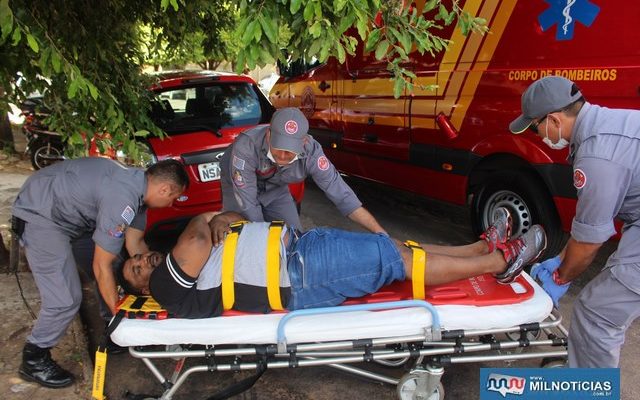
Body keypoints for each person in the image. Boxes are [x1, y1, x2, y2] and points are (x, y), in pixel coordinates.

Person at [118, 208, 546, 319]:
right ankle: (498, 261)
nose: (142, 262)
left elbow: (227, 221)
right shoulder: (167, 288)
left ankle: (476, 249)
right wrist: (208, 218)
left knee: (393, 247)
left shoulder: (176, 264)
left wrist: (224, 218)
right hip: (300, 273)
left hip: (301, 248)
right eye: (136, 270)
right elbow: (198, 233)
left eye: (136, 258)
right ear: (144, 290)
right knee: (390, 258)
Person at [12, 157, 188, 388]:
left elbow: (135, 246)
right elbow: (99, 265)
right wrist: (121, 316)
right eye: (173, 199)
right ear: (164, 189)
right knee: (65, 298)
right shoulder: (123, 199)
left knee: (117, 265)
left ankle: (112, 332)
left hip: (71, 216)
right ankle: (34, 359)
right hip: (42, 216)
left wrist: (166, 284)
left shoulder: (139, 192)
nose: (171, 205)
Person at [509, 76, 640, 368]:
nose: (535, 132)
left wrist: (561, 276)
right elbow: (586, 225)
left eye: (534, 126)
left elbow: (589, 243)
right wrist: (561, 258)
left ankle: (589, 389)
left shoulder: (598, 155)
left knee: (597, 313)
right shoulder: (608, 124)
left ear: (554, 119)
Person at [220, 107, 385, 234]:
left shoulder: (311, 153)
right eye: (279, 148)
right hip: (239, 190)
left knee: (294, 236)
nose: (284, 156)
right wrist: (263, 241)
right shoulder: (246, 146)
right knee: (243, 236)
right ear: (269, 135)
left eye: (290, 150)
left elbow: (343, 196)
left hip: (276, 189)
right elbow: (248, 205)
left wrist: (380, 233)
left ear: (304, 141)